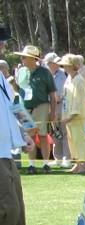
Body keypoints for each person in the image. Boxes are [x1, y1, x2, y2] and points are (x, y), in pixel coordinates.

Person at [0, 21, 38, 225]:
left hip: (7, 152)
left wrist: (26, 131)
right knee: (8, 210)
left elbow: (14, 104)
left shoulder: (1, 76)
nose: (3, 45)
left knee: (18, 212)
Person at [14, 44, 58, 173]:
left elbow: (52, 93)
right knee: (29, 136)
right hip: (24, 108)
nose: (22, 59)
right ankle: (31, 164)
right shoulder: (20, 71)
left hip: (41, 107)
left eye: (25, 57)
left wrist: (53, 111)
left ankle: (46, 164)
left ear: (33, 59)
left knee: (43, 136)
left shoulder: (45, 73)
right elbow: (18, 89)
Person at [58, 54, 85, 173]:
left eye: (65, 65)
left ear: (71, 66)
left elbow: (78, 100)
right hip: (68, 114)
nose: (64, 67)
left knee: (79, 140)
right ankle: (77, 163)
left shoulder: (79, 80)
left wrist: (72, 115)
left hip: (77, 116)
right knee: (71, 141)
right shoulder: (69, 78)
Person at [44, 52, 70, 167]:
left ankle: (66, 158)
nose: (58, 64)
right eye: (55, 62)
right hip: (49, 106)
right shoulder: (44, 74)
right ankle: (58, 158)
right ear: (49, 63)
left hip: (62, 105)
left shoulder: (63, 73)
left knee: (64, 131)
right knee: (54, 133)